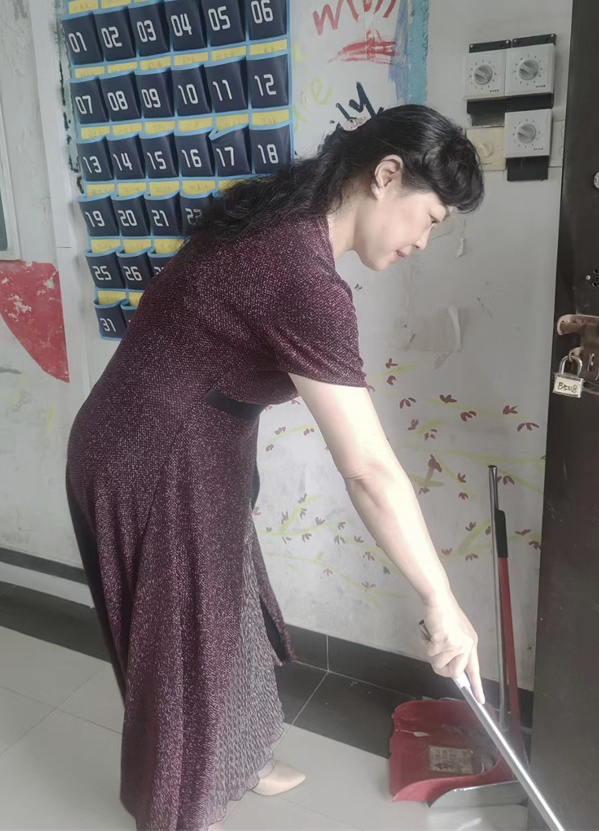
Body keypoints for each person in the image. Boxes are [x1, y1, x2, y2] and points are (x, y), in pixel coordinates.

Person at [65, 103, 486, 831]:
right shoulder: (297, 271)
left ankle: (241, 760)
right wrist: (441, 598)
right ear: (387, 175)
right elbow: (368, 469)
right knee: (185, 656)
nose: (422, 241)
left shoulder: (291, 222)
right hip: (151, 459)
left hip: (187, 449)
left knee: (232, 621)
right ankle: (179, 814)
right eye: (429, 219)